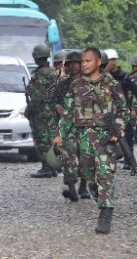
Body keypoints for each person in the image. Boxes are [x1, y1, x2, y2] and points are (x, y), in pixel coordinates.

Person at [53, 47, 128, 234]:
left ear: (98, 63)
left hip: (104, 138)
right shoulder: (76, 86)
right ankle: (101, 202)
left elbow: (123, 111)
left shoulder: (112, 84)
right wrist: (60, 133)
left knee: (104, 174)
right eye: (82, 61)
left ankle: (106, 213)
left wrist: (117, 129)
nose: (83, 64)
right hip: (83, 138)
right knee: (89, 176)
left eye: (87, 61)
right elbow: (68, 113)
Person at [50, 50, 90, 199]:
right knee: (68, 157)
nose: (74, 67)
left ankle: (83, 186)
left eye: (76, 63)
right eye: (71, 64)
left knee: (86, 157)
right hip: (67, 127)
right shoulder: (62, 85)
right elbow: (53, 105)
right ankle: (72, 186)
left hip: (85, 126)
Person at [105, 49, 137, 169]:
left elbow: (136, 90)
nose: (112, 63)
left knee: (128, 133)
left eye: (113, 60)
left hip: (122, 110)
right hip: (106, 111)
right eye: (110, 60)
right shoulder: (100, 76)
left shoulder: (123, 76)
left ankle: (128, 160)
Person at [25, 44, 59, 178]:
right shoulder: (54, 72)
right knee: (52, 138)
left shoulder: (39, 75)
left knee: (42, 139)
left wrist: (28, 110)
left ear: (36, 57)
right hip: (53, 111)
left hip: (41, 112)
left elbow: (37, 97)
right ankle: (53, 166)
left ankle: (46, 167)